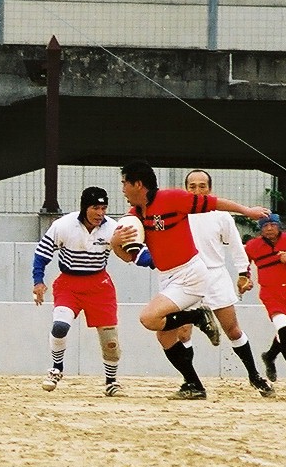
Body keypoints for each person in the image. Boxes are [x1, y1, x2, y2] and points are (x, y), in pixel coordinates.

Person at [111, 162, 272, 399]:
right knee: (166, 335)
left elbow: (218, 205)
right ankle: (193, 385)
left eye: (124, 183)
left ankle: (252, 373)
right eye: (192, 185)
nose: (122, 189)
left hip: (195, 274)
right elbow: (130, 256)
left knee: (226, 328)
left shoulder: (175, 200)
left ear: (138, 184)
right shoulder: (134, 216)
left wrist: (247, 211)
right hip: (170, 278)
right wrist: (116, 242)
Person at [32, 186, 124, 396]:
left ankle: (111, 381)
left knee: (110, 339)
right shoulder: (64, 225)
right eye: (95, 208)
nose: (100, 213)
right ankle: (57, 368)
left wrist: (155, 261)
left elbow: (134, 252)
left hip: (99, 286)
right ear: (85, 207)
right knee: (60, 326)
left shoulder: (113, 228)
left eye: (104, 208)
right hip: (69, 284)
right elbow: (42, 254)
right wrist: (38, 280)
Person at [244, 213, 286, 388]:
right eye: (265, 226)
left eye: (272, 225)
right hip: (270, 293)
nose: (269, 229)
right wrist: (246, 279)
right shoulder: (253, 246)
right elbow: (243, 264)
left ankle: (270, 356)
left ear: (278, 225)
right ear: (260, 229)